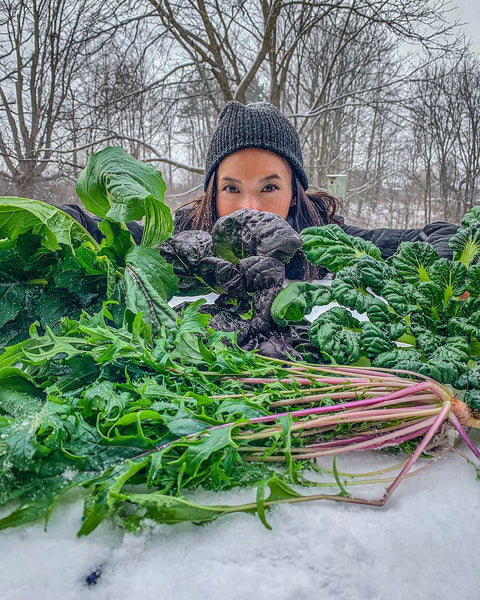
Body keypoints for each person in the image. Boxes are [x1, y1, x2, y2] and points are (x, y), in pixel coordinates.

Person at [173, 101, 458, 280]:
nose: (251, 207)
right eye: (231, 188)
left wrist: (445, 276)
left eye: (269, 187)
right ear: (213, 193)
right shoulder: (183, 239)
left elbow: (442, 237)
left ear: (294, 192)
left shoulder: (323, 242)